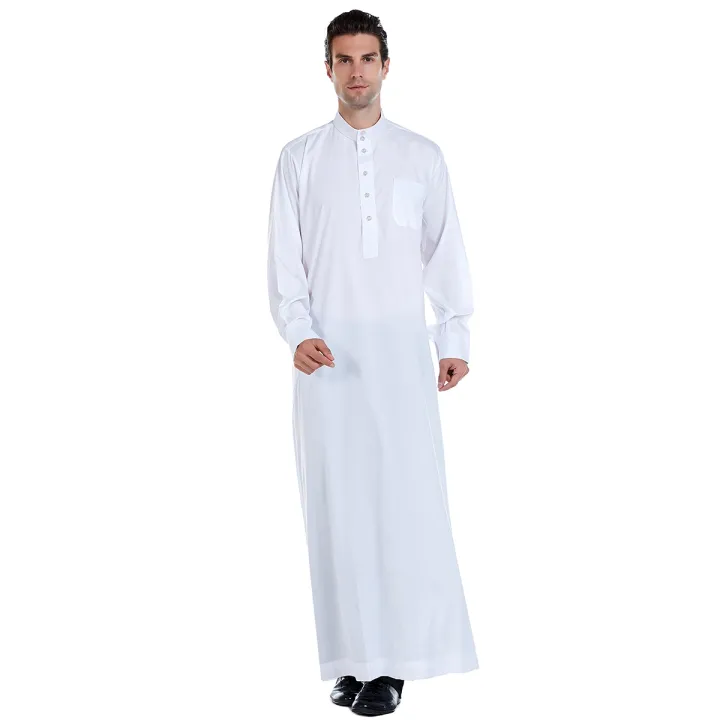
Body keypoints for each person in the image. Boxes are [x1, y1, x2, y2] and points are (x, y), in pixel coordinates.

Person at [267, 9, 478, 716]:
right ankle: (352, 661)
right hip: (327, 365)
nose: (356, 71)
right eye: (343, 59)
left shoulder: (422, 156)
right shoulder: (298, 159)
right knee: (337, 512)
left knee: (403, 506)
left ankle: (393, 663)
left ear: (387, 66)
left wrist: (453, 338)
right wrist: (297, 331)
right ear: (327, 68)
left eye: (367, 58)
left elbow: (444, 250)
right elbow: (285, 259)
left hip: (398, 359)